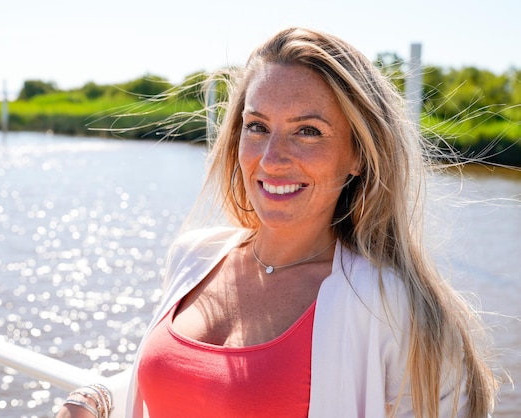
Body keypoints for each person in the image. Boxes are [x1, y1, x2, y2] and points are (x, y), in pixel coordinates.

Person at [56, 27, 498, 418]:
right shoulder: (195, 256)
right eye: (257, 127)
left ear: (359, 156)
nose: (271, 159)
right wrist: (99, 396)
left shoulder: (391, 306)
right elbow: (190, 383)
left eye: (308, 131)